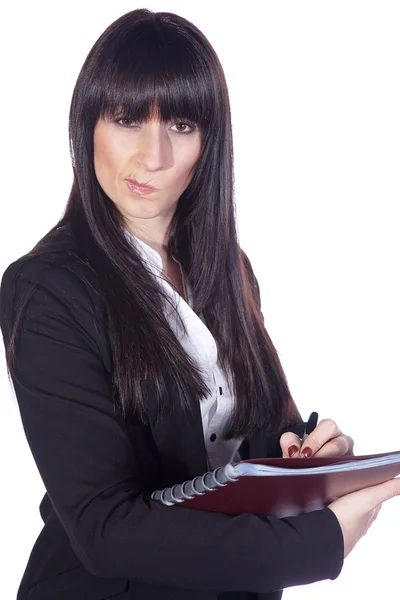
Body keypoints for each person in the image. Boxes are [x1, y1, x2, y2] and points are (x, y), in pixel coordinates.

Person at [0, 8, 399, 600]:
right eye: (128, 119)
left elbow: (252, 431)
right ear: (87, 126)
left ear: (210, 140)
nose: (152, 156)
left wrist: (307, 456)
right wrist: (319, 544)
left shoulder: (227, 268)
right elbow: (105, 528)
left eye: (182, 126)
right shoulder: (47, 291)